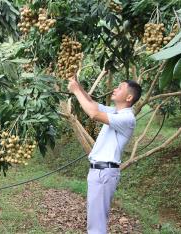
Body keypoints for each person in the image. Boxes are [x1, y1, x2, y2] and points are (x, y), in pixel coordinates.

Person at [67, 71, 142, 234]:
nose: (115, 89)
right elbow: (92, 105)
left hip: (104, 172)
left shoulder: (127, 118)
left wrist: (75, 91)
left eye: (120, 88)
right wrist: (77, 85)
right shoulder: (114, 112)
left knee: (97, 226)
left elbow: (93, 114)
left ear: (129, 98)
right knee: (95, 222)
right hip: (99, 171)